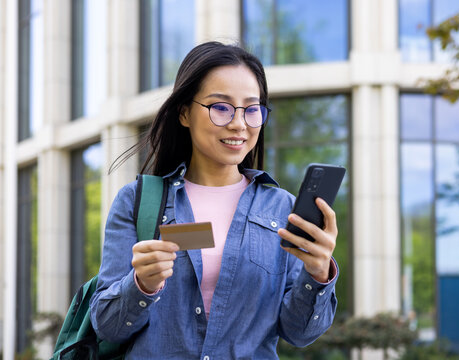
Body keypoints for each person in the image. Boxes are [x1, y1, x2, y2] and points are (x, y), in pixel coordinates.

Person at [90, 41, 339, 359]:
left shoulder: (282, 210)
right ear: (184, 113)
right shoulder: (138, 202)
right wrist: (142, 284)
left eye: (252, 109)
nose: (239, 123)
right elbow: (107, 326)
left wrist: (318, 273)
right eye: (221, 107)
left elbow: (299, 333)